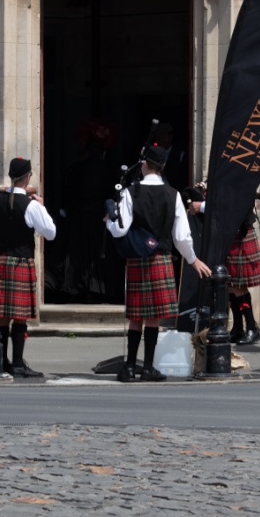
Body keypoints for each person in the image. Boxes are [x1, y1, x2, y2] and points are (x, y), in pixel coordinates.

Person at [105, 143, 212, 382]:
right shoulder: (173, 194)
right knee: (153, 317)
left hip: (137, 258)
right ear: (162, 166)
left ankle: (129, 367)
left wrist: (108, 222)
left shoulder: (130, 192)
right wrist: (193, 260)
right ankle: (147, 368)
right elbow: (181, 236)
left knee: (136, 316)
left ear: (144, 164)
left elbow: (120, 229)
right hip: (160, 258)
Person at [0, 156, 58, 378]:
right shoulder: (31, 205)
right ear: (28, 176)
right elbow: (51, 233)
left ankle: (2, 361)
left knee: (2, 315)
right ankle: (17, 364)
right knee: (20, 315)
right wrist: (42, 207)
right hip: (20, 262)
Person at [188, 190, 260, 345]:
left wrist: (202, 206)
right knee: (230, 285)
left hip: (239, 235)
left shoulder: (242, 180)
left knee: (238, 286)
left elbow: (231, 206)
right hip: (229, 235)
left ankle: (252, 328)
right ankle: (238, 328)